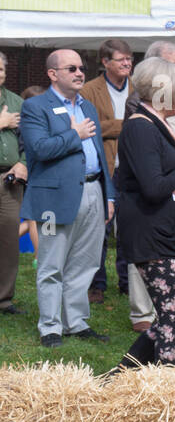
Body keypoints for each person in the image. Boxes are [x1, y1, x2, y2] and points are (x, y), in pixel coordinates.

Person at [19, 49, 116, 348]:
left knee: (85, 263)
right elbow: (40, 149)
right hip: (52, 200)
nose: (79, 73)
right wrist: (74, 134)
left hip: (91, 191)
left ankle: (76, 322)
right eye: (71, 68)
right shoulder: (36, 107)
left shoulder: (86, 106)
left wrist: (108, 194)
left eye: (82, 68)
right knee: (51, 263)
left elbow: (100, 154)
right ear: (52, 74)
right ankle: (50, 327)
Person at [111, 58, 175, 370]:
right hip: (151, 233)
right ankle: (166, 378)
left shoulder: (157, 125)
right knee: (173, 311)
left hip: (168, 232)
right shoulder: (140, 127)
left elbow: (168, 177)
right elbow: (153, 187)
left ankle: (126, 370)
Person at [81, 38, 134, 303]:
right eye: (121, 59)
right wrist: (127, 125)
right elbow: (89, 127)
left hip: (133, 169)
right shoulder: (90, 90)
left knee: (129, 229)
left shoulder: (137, 87)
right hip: (106, 168)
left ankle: (127, 282)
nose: (127, 63)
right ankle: (96, 284)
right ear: (105, 62)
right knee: (99, 228)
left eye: (129, 59)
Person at [0, 51, 27, 316]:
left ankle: (4, 299)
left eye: (0, 70)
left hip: (9, 179)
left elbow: (31, 140)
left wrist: (24, 163)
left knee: (8, 239)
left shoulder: (16, 101)